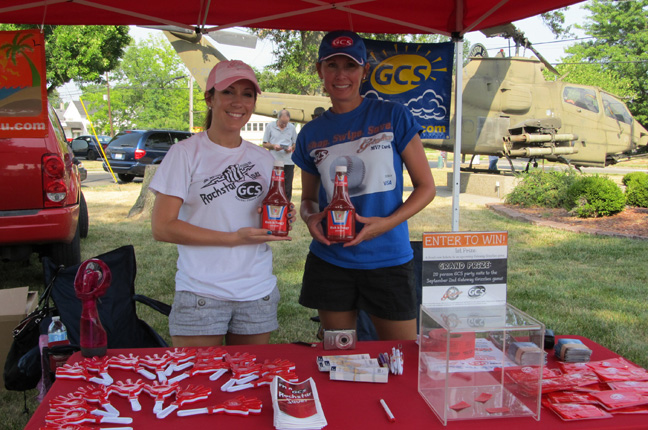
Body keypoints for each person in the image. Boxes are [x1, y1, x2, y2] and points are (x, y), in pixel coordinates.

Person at [292, 30, 437, 341]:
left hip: (388, 258)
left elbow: (426, 187)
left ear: (364, 71)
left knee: (401, 356)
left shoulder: (392, 115)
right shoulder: (310, 134)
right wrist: (310, 218)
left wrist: (385, 224)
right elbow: (308, 200)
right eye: (332, 65)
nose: (341, 75)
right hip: (331, 259)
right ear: (320, 70)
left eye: (351, 66)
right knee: (339, 355)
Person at [149, 60, 295, 348]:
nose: (238, 102)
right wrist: (232, 239)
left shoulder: (264, 159)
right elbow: (162, 228)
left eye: (247, 94)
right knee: (199, 386)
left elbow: (267, 214)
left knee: (251, 382)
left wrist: (281, 217)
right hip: (201, 292)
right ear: (210, 98)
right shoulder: (185, 153)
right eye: (228, 91)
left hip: (257, 290)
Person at [262, 109, 297, 201]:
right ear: (278, 119)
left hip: (288, 161)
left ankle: (286, 206)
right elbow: (264, 144)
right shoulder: (270, 126)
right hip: (274, 161)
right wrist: (273, 146)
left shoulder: (292, 127)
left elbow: (295, 144)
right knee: (273, 184)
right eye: (282, 123)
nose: (284, 125)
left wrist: (291, 148)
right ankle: (272, 203)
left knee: (287, 187)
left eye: (286, 123)